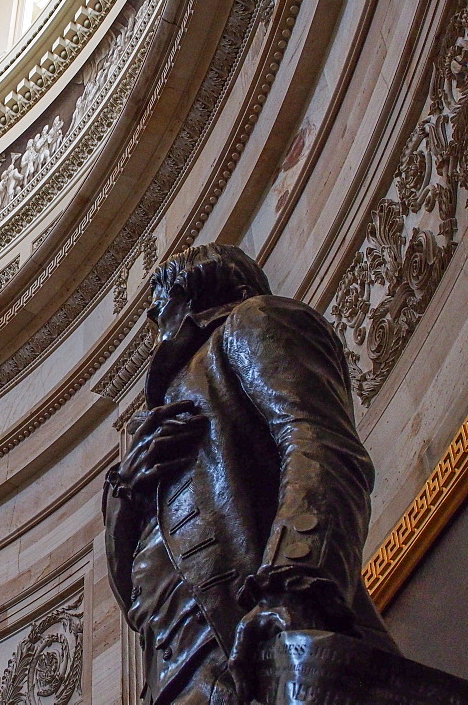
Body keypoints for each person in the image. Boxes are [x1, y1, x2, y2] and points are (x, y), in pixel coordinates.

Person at [102, 243, 398, 704]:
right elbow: (141, 606)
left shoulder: (251, 322)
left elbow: (319, 444)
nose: (152, 308)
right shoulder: (151, 436)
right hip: (182, 683)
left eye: (171, 287)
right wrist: (126, 499)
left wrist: (295, 584)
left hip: (260, 651)